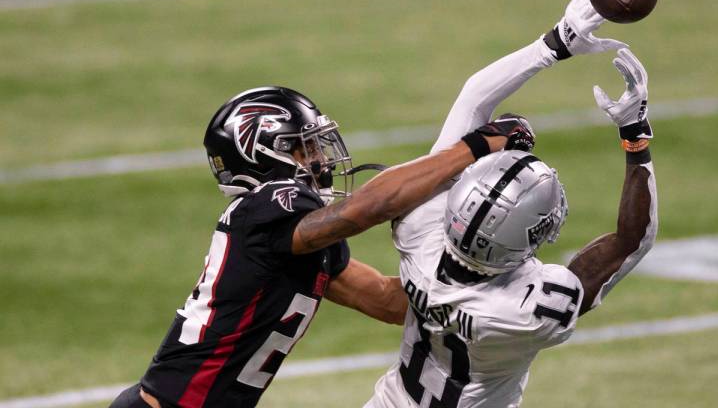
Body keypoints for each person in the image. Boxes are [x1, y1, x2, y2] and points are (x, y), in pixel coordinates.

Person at [110, 77, 536, 408]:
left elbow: (390, 302)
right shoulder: (264, 208)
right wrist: (474, 146)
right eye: (303, 148)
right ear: (261, 154)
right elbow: (364, 210)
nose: (319, 159)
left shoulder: (289, 238)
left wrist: (490, 283)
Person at [365, 0, 657, 408]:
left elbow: (472, 99)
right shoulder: (528, 312)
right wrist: (635, 136)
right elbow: (632, 241)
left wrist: (555, 42)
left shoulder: (419, 227)